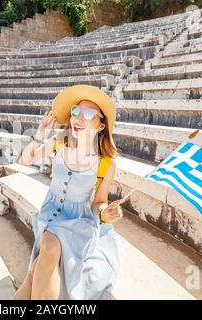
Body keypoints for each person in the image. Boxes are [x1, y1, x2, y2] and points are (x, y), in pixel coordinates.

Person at [12, 85, 123, 300]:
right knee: (49, 249)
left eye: (88, 114)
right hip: (50, 212)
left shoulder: (106, 164)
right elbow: (26, 159)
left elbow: (99, 202)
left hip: (78, 220)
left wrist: (105, 213)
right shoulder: (60, 143)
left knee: (48, 249)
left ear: (101, 125)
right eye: (75, 112)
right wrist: (40, 133)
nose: (78, 118)